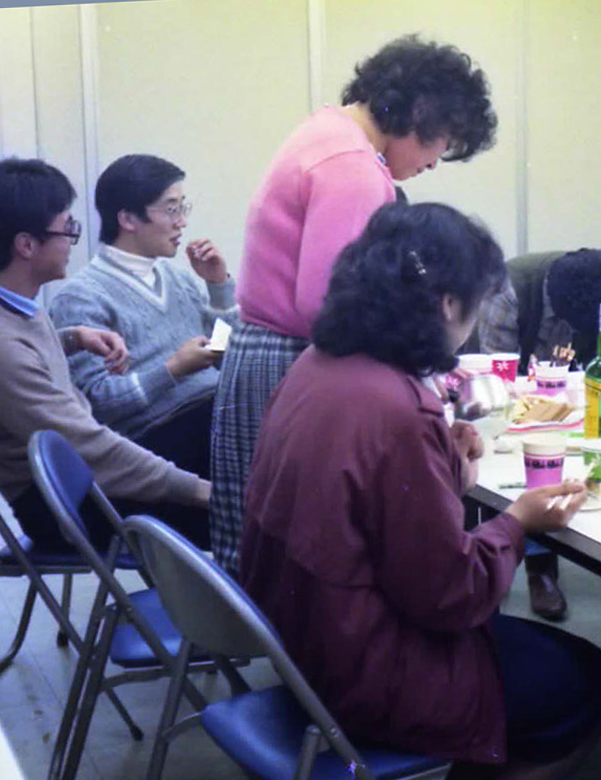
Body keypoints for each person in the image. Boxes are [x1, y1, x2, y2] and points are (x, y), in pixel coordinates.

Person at [240, 202, 601, 778]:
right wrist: (518, 524)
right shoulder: (397, 407)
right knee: (594, 678)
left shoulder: (321, 362)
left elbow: (365, 509)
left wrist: (440, 461)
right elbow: (450, 595)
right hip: (366, 668)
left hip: (298, 640)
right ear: (447, 304)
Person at [210, 35, 497, 576]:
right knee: (301, 555)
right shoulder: (353, 168)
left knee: (258, 545)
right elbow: (334, 306)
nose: (435, 163)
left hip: (267, 353)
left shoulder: (326, 129)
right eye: (443, 143)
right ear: (421, 113)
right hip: (288, 356)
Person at [0, 159, 211, 552]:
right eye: (67, 228)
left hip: (80, 474)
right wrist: (202, 491)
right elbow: (89, 449)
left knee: (230, 434)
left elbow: (21, 354)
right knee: (245, 499)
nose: (73, 238)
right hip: (69, 502)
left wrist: (71, 338)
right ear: (26, 245)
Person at [48, 154, 238, 479]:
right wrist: (173, 369)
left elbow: (226, 360)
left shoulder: (177, 278)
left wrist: (218, 287)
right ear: (128, 219)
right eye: (171, 209)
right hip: (159, 438)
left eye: (182, 208)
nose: (182, 222)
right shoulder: (81, 297)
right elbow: (99, 403)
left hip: (215, 414)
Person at [475, 248, 601, 621]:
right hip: (516, 407)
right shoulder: (508, 291)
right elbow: (499, 380)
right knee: (539, 473)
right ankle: (541, 569)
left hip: (576, 400)